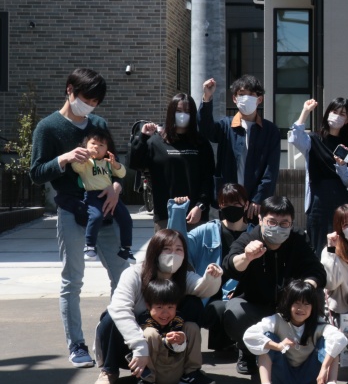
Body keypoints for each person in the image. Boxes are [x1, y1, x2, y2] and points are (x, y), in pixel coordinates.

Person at [30, 68, 130, 367]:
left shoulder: (99, 124)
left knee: (123, 275)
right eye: (86, 99)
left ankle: (113, 334)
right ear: (70, 90)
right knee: (73, 279)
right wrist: (63, 158)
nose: (90, 106)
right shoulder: (48, 127)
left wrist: (116, 188)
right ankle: (76, 344)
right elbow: (36, 173)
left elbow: (114, 165)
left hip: (106, 208)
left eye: (95, 102)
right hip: (72, 209)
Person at [92, 229, 221, 384]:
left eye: (178, 249)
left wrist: (212, 278)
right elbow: (119, 308)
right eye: (167, 249)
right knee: (110, 318)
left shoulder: (182, 276)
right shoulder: (133, 274)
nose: (173, 254)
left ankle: (188, 371)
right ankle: (110, 371)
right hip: (133, 347)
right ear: (155, 251)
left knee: (194, 304)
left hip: (168, 344)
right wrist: (140, 346)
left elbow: (202, 288)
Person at [222, 196, 327, 375]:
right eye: (272, 222)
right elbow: (229, 266)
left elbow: (318, 272)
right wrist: (246, 257)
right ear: (260, 220)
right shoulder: (250, 238)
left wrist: (305, 288)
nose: (278, 227)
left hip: (290, 309)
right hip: (257, 308)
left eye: (284, 223)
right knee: (235, 310)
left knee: (314, 294)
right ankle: (248, 351)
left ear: (292, 223)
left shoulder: (299, 239)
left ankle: (305, 353)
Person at [167, 183, 252, 350]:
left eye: (236, 204)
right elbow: (177, 244)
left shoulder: (254, 234)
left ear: (246, 205)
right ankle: (185, 349)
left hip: (242, 296)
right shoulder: (207, 231)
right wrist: (177, 211)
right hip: (208, 297)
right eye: (226, 204)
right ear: (219, 205)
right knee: (203, 307)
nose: (231, 208)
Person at [244, 280, 348, 384]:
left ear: (313, 306)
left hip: (312, 379)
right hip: (282, 379)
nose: (301, 308)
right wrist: (278, 345)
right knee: (267, 337)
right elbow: (249, 335)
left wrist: (324, 369)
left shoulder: (318, 323)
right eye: (297, 303)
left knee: (332, 339)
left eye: (306, 304)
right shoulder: (277, 320)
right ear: (288, 303)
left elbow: (340, 339)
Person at [199, 74, 281, 222]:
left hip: (255, 203)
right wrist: (207, 97)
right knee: (227, 234)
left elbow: (271, 170)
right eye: (242, 94)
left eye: (251, 94)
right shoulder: (226, 125)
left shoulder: (270, 131)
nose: (246, 98)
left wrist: (258, 198)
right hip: (228, 198)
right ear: (234, 98)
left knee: (254, 235)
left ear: (259, 99)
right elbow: (206, 130)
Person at [130, 93, 215, 231]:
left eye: (187, 111)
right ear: (171, 113)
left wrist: (201, 205)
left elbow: (208, 179)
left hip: (195, 214)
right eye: (179, 111)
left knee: (195, 245)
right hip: (165, 214)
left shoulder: (201, 143)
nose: (183, 115)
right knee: (166, 245)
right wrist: (143, 138)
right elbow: (135, 163)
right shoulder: (156, 142)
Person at [288, 97, 348, 254]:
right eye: (334, 111)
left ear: (347, 120)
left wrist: (341, 165)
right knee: (318, 246)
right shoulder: (313, 139)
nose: (337, 116)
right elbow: (295, 138)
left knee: (342, 246)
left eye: (342, 114)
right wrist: (305, 111)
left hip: (341, 201)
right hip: (317, 200)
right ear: (327, 113)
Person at [134, 278, 213, 384]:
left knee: (192, 327)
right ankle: (146, 381)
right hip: (155, 371)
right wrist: (166, 341)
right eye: (159, 307)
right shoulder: (144, 320)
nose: (165, 313)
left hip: (176, 369)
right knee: (150, 333)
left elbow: (178, 344)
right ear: (148, 306)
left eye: (170, 307)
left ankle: (191, 373)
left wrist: (181, 339)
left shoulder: (178, 319)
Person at [71, 129, 133, 263]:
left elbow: (122, 173)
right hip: (93, 196)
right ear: (86, 146)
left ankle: (126, 249)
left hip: (111, 195)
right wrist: (85, 155)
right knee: (96, 216)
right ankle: (90, 246)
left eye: (101, 145)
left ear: (106, 149)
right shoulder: (86, 163)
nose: (96, 147)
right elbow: (76, 167)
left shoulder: (108, 162)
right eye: (93, 144)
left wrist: (115, 164)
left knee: (126, 218)